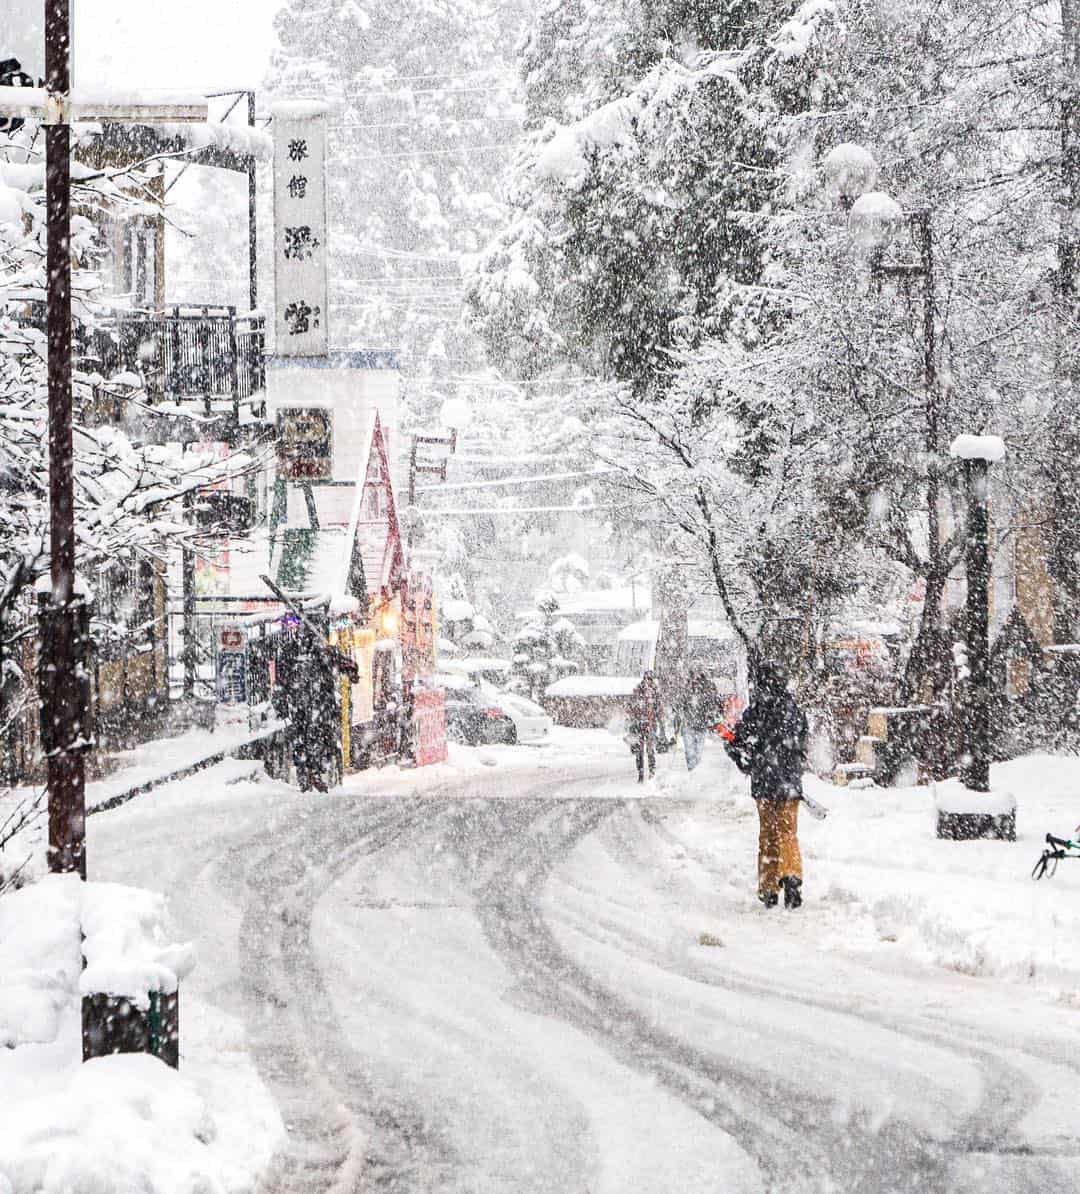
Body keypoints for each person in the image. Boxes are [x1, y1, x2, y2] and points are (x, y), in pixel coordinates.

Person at [724, 659, 808, 909]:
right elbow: (802, 741)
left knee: (768, 835)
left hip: (764, 783)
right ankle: (792, 876)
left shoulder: (757, 711)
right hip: (790, 783)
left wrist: (731, 742)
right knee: (788, 832)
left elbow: (738, 741)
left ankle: (769, 887)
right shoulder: (794, 711)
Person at [677, 668, 719, 771]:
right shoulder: (686, 691)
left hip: (701, 725)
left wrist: (710, 714)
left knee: (698, 751)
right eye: (694, 679)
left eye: (698, 678)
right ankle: (691, 768)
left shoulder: (706, 693)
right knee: (689, 750)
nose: (695, 681)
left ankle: (696, 768)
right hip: (688, 724)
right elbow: (680, 704)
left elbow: (712, 704)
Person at [627, 670, 664, 782]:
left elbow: (659, 709)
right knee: (641, 750)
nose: (648, 682)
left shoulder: (654, 692)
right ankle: (642, 772)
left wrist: (658, 718)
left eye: (650, 679)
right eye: (647, 679)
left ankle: (649, 772)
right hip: (642, 724)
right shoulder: (639, 691)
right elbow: (631, 707)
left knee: (648, 749)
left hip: (648, 724)